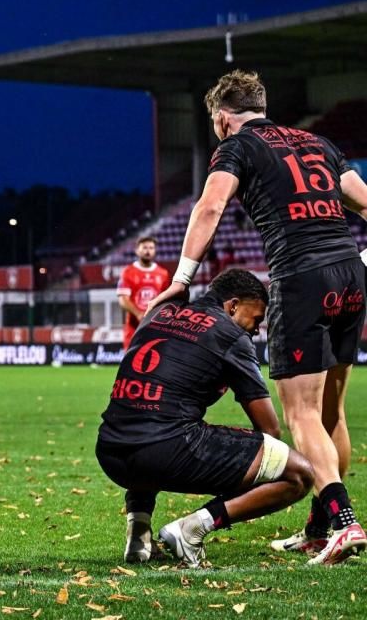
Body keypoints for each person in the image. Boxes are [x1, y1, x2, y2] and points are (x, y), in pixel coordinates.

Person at [150, 70, 367, 565]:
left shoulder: (237, 147)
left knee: (303, 416)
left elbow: (209, 207)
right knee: (331, 412)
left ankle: (345, 523)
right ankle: (319, 527)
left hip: (302, 278)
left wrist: (182, 278)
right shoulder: (318, 142)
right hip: (351, 275)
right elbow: (365, 202)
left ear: (223, 118)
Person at [98, 269, 314, 567]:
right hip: (162, 450)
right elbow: (269, 429)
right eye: (256, 319)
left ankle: (139, 535)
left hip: (111, 450)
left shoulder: (160, 312)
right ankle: (193, 528)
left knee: (151, 418)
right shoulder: (231, 335)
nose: (256, 329)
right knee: (299, 472)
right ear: (233, 305)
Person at [116, 236, 170, 350]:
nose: (148, 251)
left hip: (155, 326)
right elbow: (123, 299)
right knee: (129, 363)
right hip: (133, 327)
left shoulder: (163, 273)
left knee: (154, 362)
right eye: (144, 247)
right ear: (137, 250)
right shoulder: (128, 272)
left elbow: (166, 299)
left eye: (151, 248)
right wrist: (138, 314)